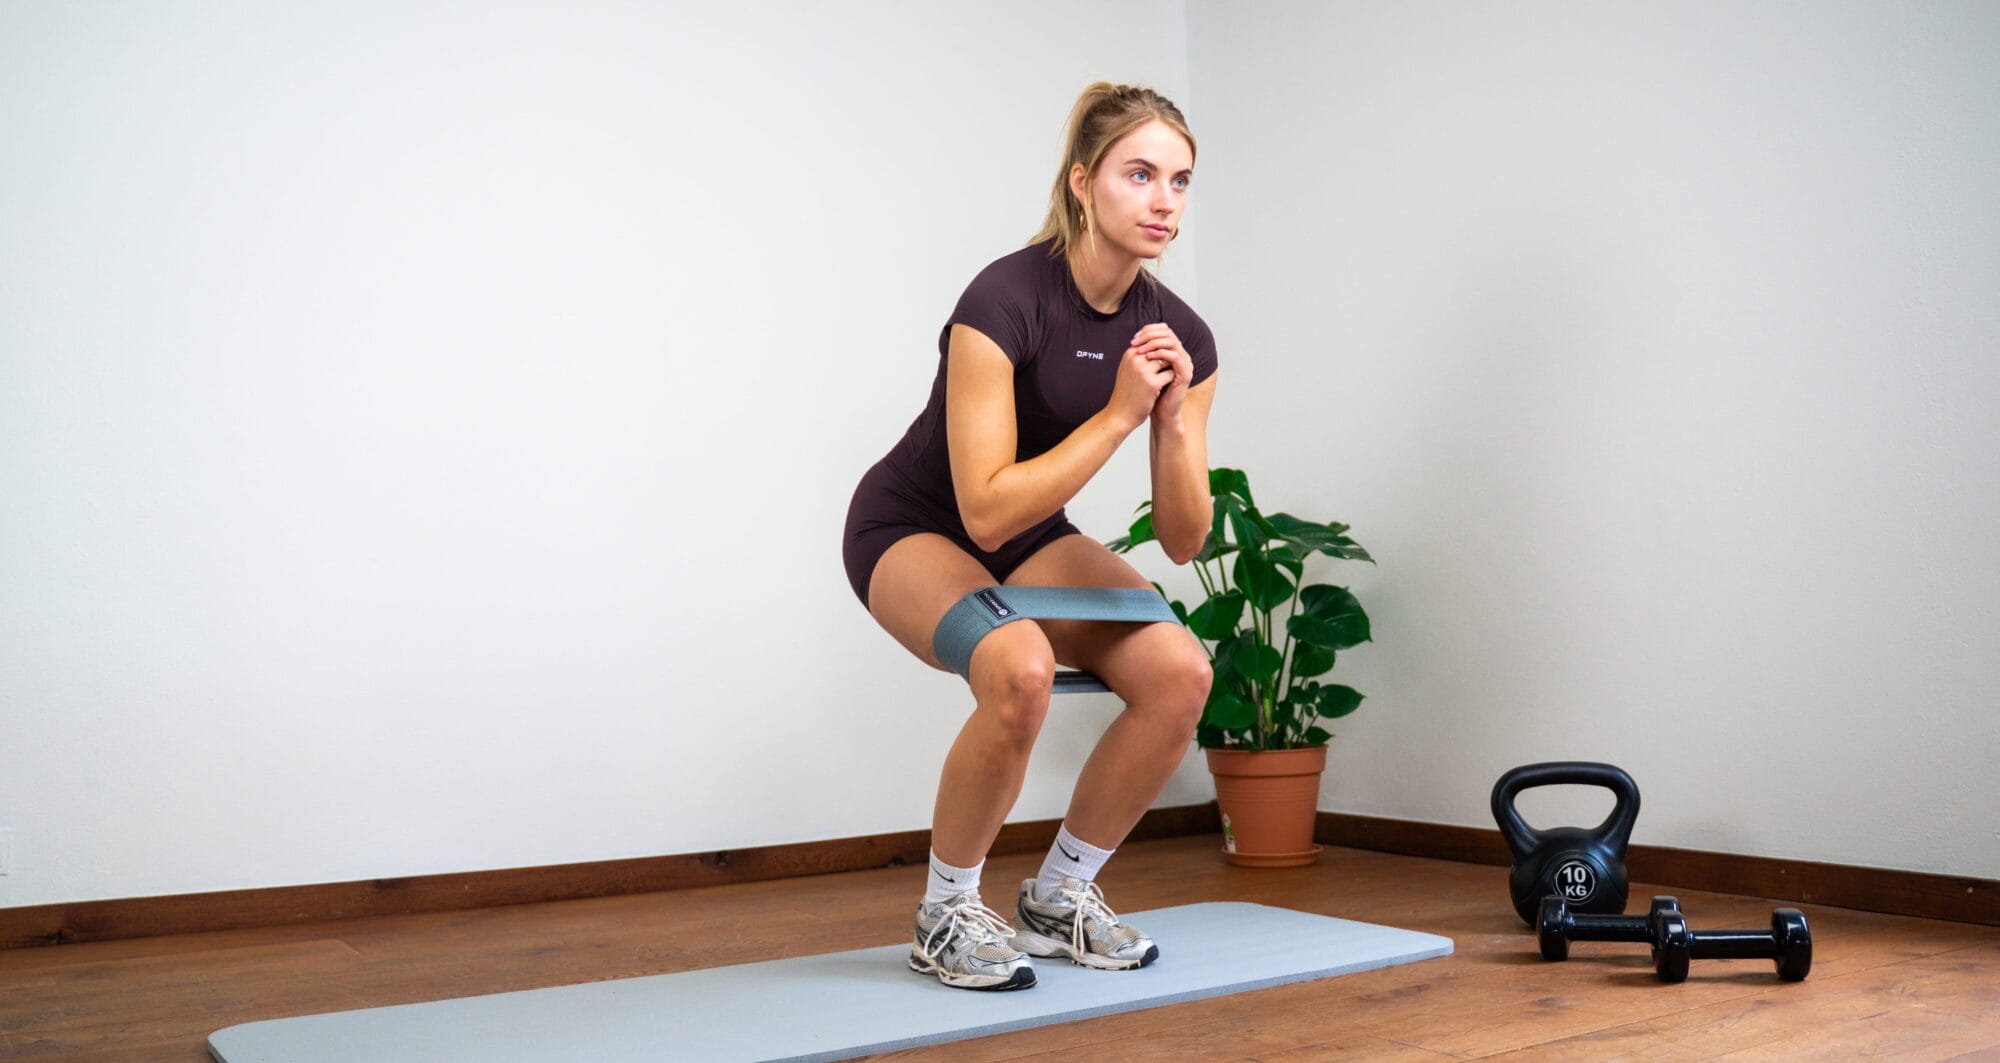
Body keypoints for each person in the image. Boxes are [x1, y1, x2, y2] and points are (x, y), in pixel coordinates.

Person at [840, 82, 1219, 991]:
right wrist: (1123, 416)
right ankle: (946, 910)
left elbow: (1183, 540)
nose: (1164, 198)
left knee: (1180, 671)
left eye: (1180, 179)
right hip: (913, 524)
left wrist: (1170, 422)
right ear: (1084, 183)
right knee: (1018, 667)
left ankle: (1059, 897)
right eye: (1139, 173)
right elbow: (984, 512)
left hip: (1028, 530)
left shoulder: (1183, 338)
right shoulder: (1004, 299)